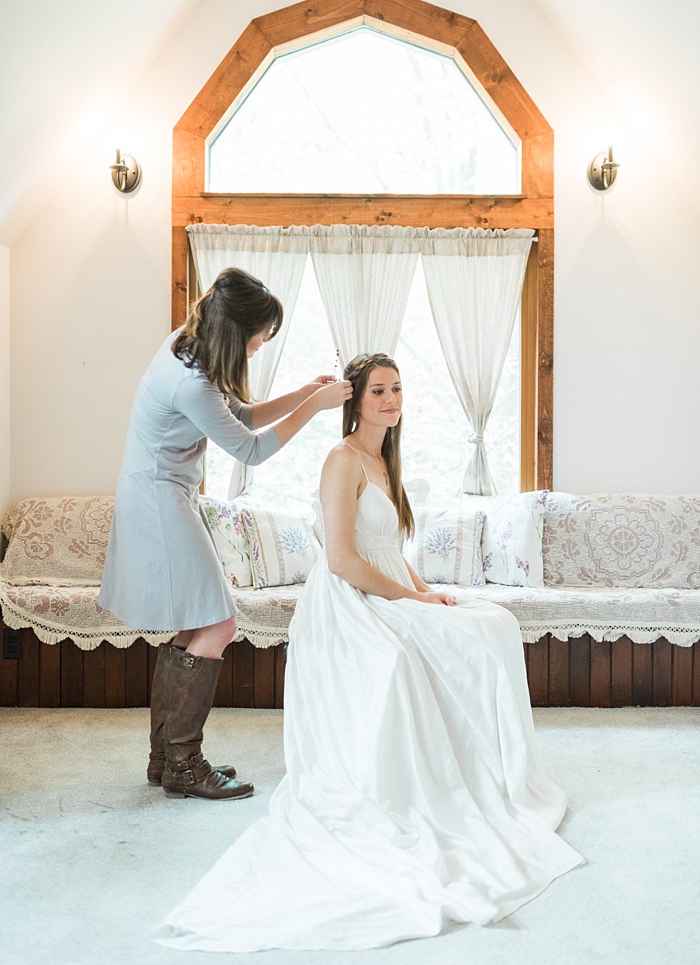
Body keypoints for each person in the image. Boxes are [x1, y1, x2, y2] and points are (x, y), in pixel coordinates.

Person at [156, 352, 583, 951]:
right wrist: (410, 601)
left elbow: (385, 548)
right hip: (346, 603)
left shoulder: (386, 460)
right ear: (354, 400)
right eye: (378, 390)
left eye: (397, 389)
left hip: (386, 587)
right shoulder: (342, 460)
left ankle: (496, 780)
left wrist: (425, 592)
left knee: (492, 626)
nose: (391, 399)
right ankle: (427, 789)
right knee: (400, 662)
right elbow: (342, 560)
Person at [98, 267, 351, 802]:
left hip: (164, 494)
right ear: (238, 332)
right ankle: (184, 765)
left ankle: (168, 758)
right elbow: (251, 450)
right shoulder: (190, 382)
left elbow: (242, 415)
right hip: (158, 499)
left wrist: (304, 392)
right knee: (219, 623)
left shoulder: (187, 350)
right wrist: (315, 407)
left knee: (194, 626)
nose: (261, 347)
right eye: (262, 336)